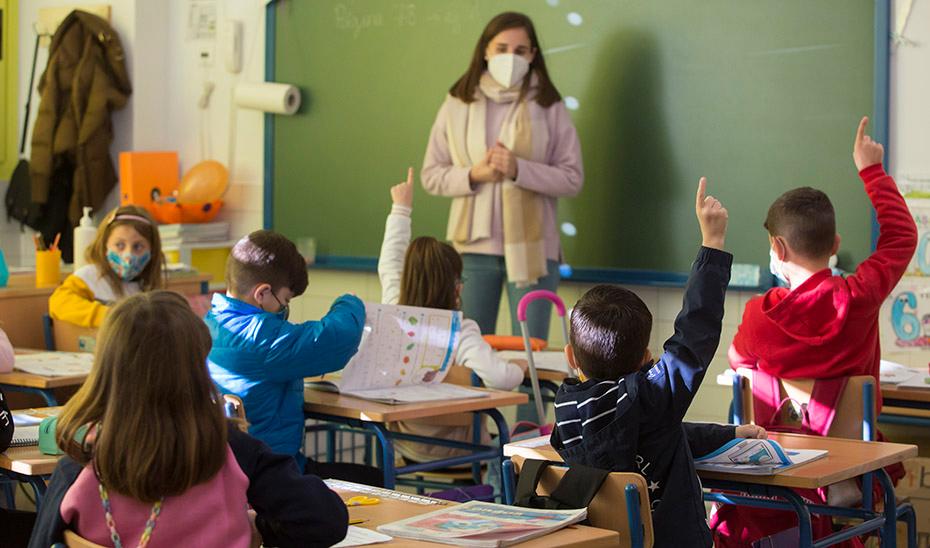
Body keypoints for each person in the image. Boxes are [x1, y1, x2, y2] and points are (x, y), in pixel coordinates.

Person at [29, 291, 348, 548]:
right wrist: (260, 528)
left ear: (106, 371)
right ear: (197, 369)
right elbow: (327, 522)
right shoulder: (229, 448)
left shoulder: (78, 465)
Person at [551, 178, 764, 547]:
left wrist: (726, 434)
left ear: (571, 359)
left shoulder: (568, 413)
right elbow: (695, 333)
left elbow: (654, 435)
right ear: (647, 359)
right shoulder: (652, 398)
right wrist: (712, 244)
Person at [729, 117, 918, 407]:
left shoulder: (760, 314)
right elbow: (902, 236)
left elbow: (738, 361)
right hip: (858, 451)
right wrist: (872, 171)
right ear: (835, 245)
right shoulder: (861, 296)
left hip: (781, 450)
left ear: (778, 249)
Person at [421, 11, 583, 342]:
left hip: (535, 252)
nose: (510, 57)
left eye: (520, 50)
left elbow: (572, 178)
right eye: (501, 48)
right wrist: (473, 174)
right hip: (473, 247)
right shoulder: (458, 102)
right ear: (485, 50)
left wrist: (518, 169)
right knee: (472, 353)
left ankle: (528, 399)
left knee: (530, 356)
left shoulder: (549, 104)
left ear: (533, 55)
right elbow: (431, 175)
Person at [206, 230, 381, 485]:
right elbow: (334, 339)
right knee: (378, 479)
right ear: (262, 293)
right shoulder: (259, 337)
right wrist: (350, 302)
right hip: (267, 472)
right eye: (285, 300)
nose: (284, 308)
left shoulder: (209, 323)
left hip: (233, 468)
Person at [379, 168, 527, 464]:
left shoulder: (394, 311)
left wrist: (401, 208)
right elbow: (501, 378)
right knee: (517, 438)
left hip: (403, 445)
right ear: (454, 286)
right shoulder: (459, 330)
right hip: (459, 452)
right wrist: (519, 367)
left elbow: (391, 260)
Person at [49, 205, 165, 328]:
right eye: (120, 245)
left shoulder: (146, 286)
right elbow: (59, 302)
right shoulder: (90, 276)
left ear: (152, 250)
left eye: (138, 246)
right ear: (104, 245)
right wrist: (109, 316)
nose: (128, 255)